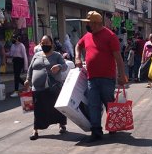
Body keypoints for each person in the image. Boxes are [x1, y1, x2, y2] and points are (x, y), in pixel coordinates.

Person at [75, 11, 127, 143]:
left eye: (89, 23)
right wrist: (77, 57)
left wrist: (122, 75)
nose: (87, 26)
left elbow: (118, 58)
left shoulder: (110, 36)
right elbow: (78, 46)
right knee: (93, 105)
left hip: (107, 78)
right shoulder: (87, 36)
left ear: (96, 23)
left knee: (109, 104)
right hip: (91, 77)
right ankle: (96, 131)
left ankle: (113, 125)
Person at [24, 35, 68, 140]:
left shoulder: (56, 55)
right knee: (38, 109)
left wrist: (59, 67)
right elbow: (31, 68)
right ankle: (35, 130)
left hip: (52, 87)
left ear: (51, 44)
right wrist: (28, 79)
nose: (45, 45)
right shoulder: (36, 55)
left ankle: (61, 124)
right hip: (37, 88)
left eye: (47, 43)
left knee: (56, 108)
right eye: (42, 43)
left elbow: (65, 65)